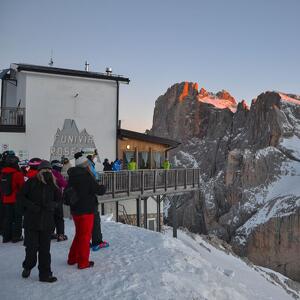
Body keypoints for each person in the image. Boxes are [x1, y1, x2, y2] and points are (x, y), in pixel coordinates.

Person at [19, 160, 60, 282]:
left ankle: (45, 274)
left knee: (45, 251)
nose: (47, 172)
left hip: (47, 223)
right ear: (39, 171)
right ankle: (28, 266)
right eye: (44, 170)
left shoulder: (53, 185)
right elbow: (21, 197)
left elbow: (59, 200)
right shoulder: (31, 182)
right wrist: (32, 206)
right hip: (31, 222)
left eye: (48, 170)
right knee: (31, 249)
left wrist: (52, 205)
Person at [66, 155, 106, 269]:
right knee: (85, 236)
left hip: (75, 211)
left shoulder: (72, 176)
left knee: (79, 235)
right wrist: (103, 187)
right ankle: (83, 262)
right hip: (86, 211)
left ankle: (72, 258)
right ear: (85, 165)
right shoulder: (87, 177)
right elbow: (98, 190)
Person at [0, 155, 24, 243]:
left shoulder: (2, 173)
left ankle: (6, 237)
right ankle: (16, 236)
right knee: (17, 218)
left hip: (5, 199)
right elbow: (22, 187)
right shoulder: (17, 174)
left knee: (7, 218)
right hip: (16, 199)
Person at [51, 160, 68, 242]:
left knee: (51, 217)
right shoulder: (57, 174)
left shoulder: (46, 173)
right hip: (57, 198)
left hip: (48, 199)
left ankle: (50, 233)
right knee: (59, 217)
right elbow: (64, 184)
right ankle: (60, 235)